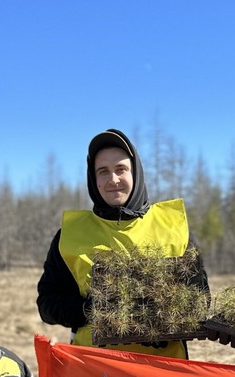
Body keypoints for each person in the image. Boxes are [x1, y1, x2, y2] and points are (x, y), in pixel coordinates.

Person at [36, 128, 209, 359]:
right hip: (95, 371)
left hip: (164, 368)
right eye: (103, 171)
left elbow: (200, 299)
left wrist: (166, 320)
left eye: (121, 169)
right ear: (93, 178)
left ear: (136, 173)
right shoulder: (70, 236)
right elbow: (47, 303)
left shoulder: (173, 228)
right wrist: (91, 310)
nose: (113, 179)